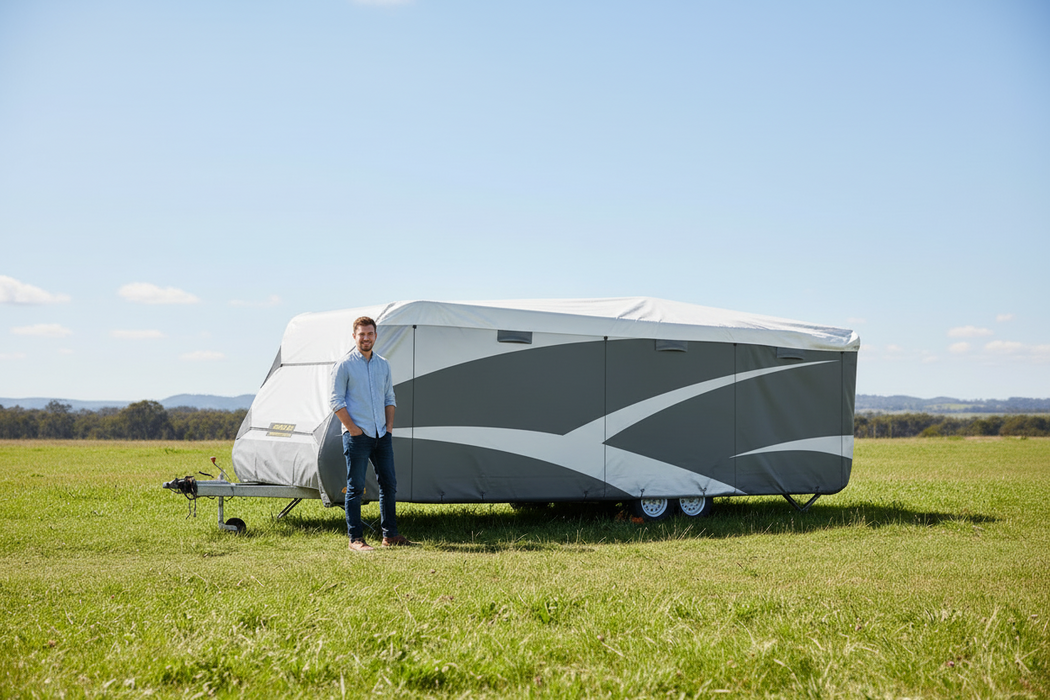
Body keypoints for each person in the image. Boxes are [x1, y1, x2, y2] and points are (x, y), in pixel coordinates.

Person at [329, 316, 411, 551]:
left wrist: (389, 428)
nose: (366, 338)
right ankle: (355, 540)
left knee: (389, 485)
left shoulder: (383, 364)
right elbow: (335, 401)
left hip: (381, 435)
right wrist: (354, 430)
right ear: (354, 336)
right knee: (355, 488)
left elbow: (389, 398)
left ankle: (390, 536)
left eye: (370, 334)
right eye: (361, 334)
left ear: (375, 335)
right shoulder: (344, 365)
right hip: (357, 436)